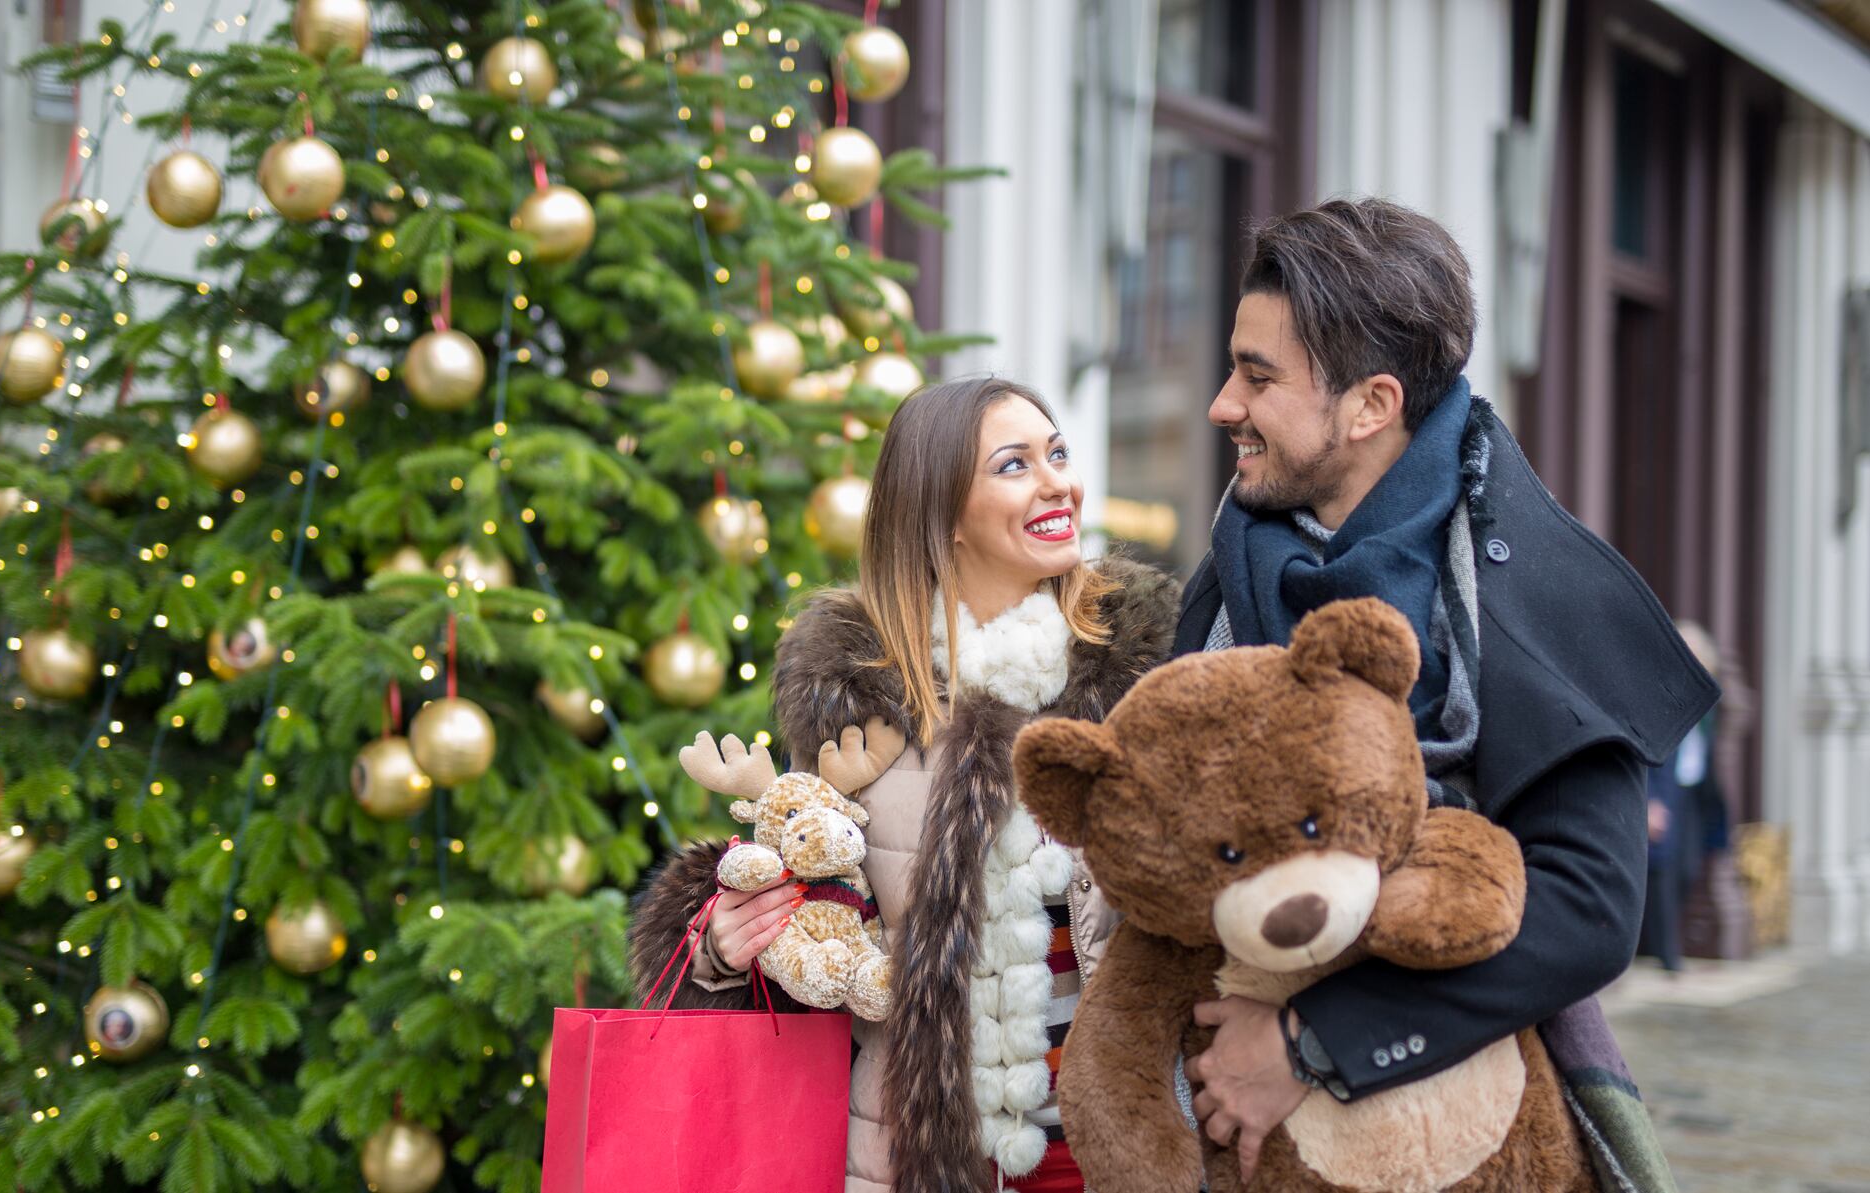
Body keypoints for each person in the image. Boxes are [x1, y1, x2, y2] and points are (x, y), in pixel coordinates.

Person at [1170, 198, 1719, 1189]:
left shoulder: (1536, 591)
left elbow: (1588, 907)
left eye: (1258, 376)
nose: (1222, 404)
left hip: (1462, 1136)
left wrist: (1309, 1039)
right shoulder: (1234, 565)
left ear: (1371, 405)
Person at [628, 378, 1181, 1193]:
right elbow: (824, 924)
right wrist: (725, 943)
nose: (1056, 482)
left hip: (1112, 1149)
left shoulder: (1144, 674)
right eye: (1014, 464)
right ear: (941, 509)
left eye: (1057, 454)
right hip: (913, 1155)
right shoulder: (858, 700)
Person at [1639, 620, 1728, 973]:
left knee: (1689, 866)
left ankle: (1660, 948)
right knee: (1661, 867)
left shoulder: (1707, 700)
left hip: (1692, 793)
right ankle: (1665, 954)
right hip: (1664, 791)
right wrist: (1649, 800)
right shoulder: (1658, 693)